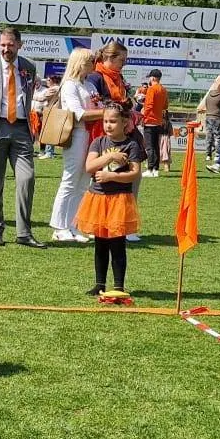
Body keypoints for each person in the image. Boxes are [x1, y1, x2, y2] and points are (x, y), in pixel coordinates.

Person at [0, 26, 45, 248]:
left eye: (10, 45)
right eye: (2, 45)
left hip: (21, 129)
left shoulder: (29, 67)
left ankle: (24, 232)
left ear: (19, 45)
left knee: (27, 179)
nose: (6, 49)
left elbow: (29, 94)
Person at [78, 105, 143, 296]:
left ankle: (118, 286)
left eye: (113, 121)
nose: (108, 125)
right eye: (105, 121)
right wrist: (110, 157)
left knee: (117, 243)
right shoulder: (98, 142)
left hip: (119, 200)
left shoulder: (131, 145)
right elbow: (89, 166)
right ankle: (99, 284)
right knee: (100, 243)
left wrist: (111, 177)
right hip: (98, 198)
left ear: (125, 123)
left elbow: (134, 173)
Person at [47, 48, 101, 243]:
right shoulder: (70, 85)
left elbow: (97, 107)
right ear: (81, 63)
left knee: (83, 182)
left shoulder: (89, 85)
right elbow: (77, 113)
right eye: (90, 61)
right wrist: (105, 113)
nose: (94, 63)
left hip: (92, 134)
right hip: (77, 133)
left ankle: (73, 224)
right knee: (70, 180)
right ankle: (59, 226)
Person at [138, 69, 169, 177]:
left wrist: (143, 117)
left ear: (153, 78)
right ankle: (155, 169)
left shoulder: (151, 89)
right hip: (159, 121)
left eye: (150, 77)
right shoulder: (163, 89)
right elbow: (165, 106)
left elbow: (149, 106)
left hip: (150, 121)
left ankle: (150, 169)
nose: (149, 79)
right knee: (156, 146)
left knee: (149, 146)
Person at [198, 82, 220, 173]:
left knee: (209, 136)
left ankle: (208, 154)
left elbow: (206, 105)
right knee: (218, 137)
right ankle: (217, 154)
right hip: (217, 118)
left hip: (208, 117)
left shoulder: (209, 95)